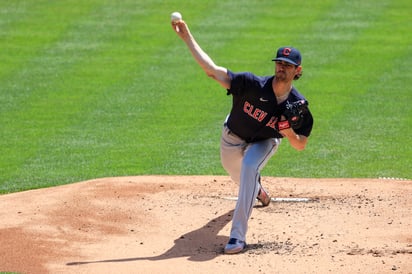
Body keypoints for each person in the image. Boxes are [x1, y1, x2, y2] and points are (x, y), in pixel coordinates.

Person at [171, 19, 314, 254]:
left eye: (287, 65)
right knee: (236, 173)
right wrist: (187, 37)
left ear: (297, 70)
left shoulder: (298, 105)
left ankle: (237, 237)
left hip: (264, 142)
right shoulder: (250, 84)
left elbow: (300, 145)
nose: (281, 67)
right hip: (232, 136)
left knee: (249, 166)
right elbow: (211, 71)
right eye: (279, 63)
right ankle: (257, 190)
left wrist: (288, 131)